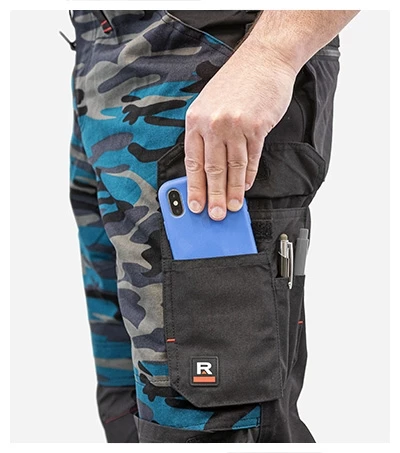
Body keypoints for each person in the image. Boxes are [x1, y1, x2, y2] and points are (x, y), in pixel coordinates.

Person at [68, 10, 359, 443]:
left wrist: (272, 53)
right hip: (101, 55)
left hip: (210, 60)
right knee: (126, 409)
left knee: (207, 424)